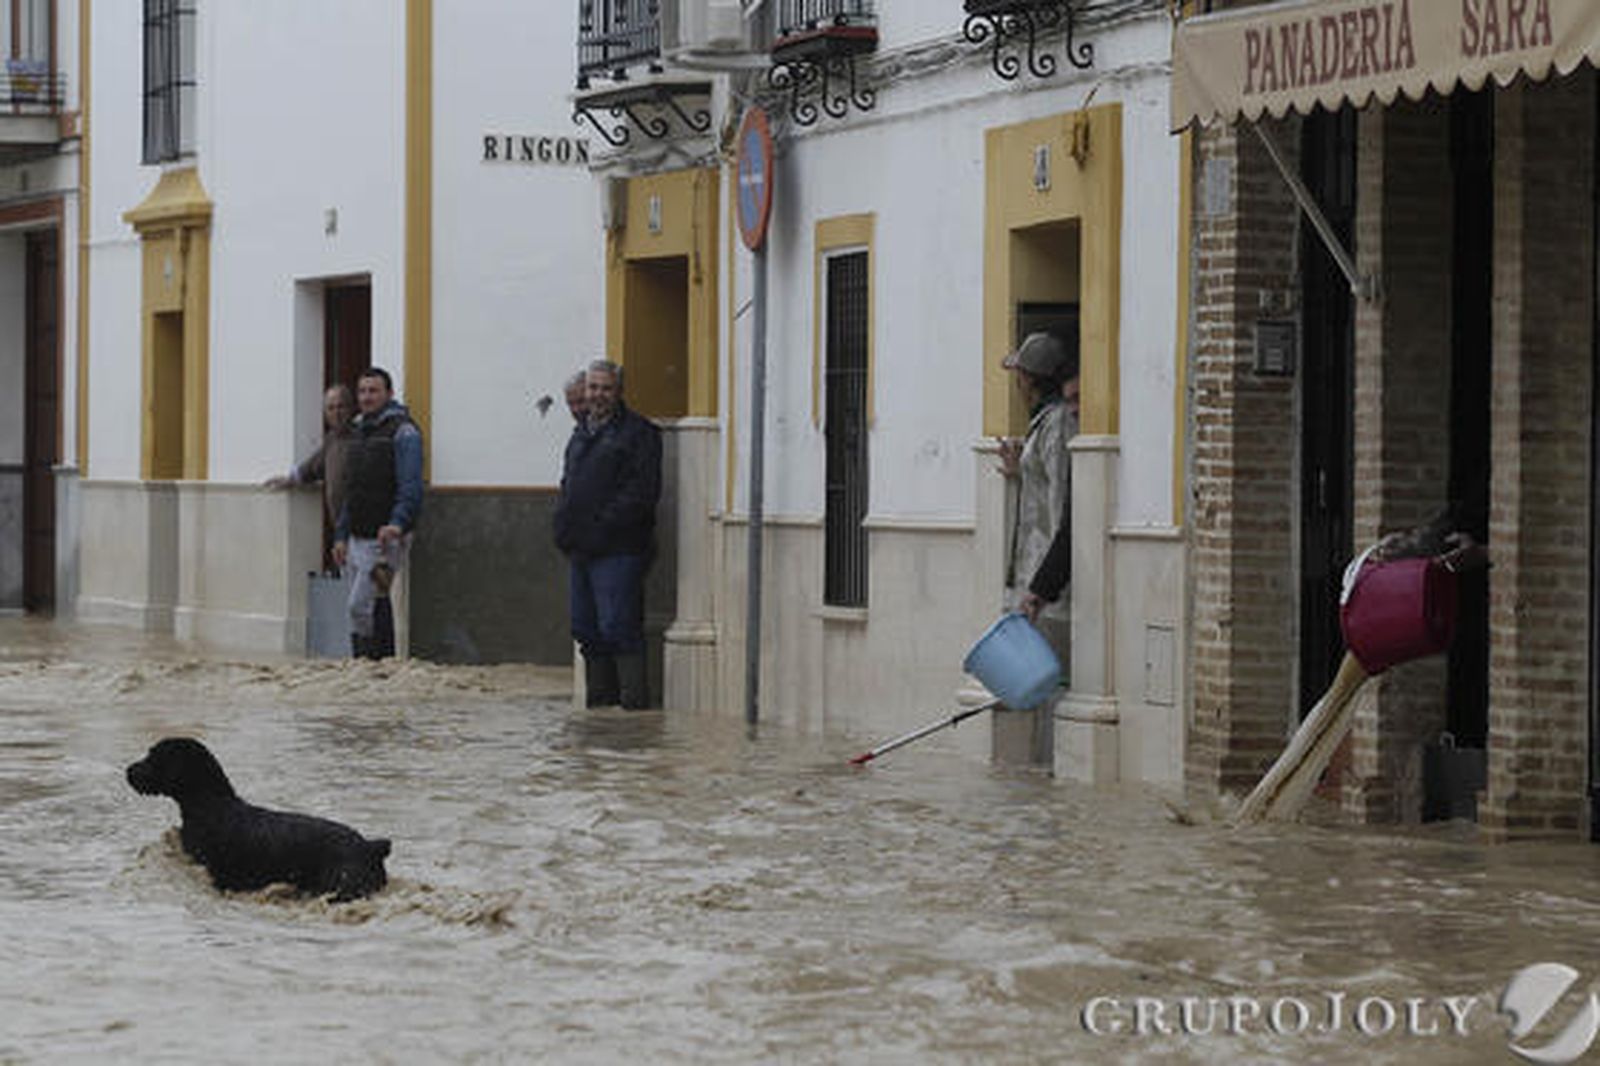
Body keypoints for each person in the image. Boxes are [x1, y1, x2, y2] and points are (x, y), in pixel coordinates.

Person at [554, 359, 662, 709]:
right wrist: (562, 525)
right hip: (580, 550)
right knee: (585, 629)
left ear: (619, 391)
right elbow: (568, 484)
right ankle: (600, 716)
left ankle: (632, 711)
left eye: (605, 388)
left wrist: (599, 528)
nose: (598, 395)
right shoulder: (581, 434)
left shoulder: (639, 433)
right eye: (593, 388)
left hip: (620, 549)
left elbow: (641, 494)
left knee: (618, 626)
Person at [332, 367, 423, 660]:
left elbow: (411, 483)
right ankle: (377, 669)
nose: (367, 397)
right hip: (357, 534)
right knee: (373, 602)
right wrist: (341, 535)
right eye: (362, 391)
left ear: (389, 394)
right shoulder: (357, 430)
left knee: (358, 606)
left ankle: (371, 663)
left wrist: (397, 523)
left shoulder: (404, 431)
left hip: (384, 537)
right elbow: (351, 488)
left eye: (373, 391)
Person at [996, 331, 1079, 650]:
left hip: (1047, 582)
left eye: (1019, 374)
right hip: (1032, 572)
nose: (1016, 381)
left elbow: (1060, 498)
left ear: (1029, 379)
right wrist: (1021, 472)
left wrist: (1051, 577)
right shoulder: (1044, 421)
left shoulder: (1058, 423)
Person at [264, 383, 354, 572]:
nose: (336, 413)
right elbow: (314, 466)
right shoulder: (332, 439)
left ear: (351, 408)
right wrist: (290, 479)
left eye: (341, 406)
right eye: (331, 408)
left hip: (359, 532)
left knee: (362, 595)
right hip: (340, 530)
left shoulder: (360, 439)